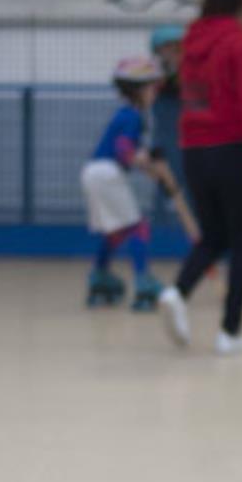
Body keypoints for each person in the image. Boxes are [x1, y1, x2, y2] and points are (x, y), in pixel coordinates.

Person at [158, 0, 242, 354]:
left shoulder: (191, 44)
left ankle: (177, 292)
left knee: (213, 235)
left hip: (194, 151)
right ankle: (229, 332)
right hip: (234, 151)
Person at [81, 56, 181, 311]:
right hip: (107, 173)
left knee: (115, 231)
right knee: (138, 227)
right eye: (152, 88)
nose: (154, 93)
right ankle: (143, 282)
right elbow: (123, 149)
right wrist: (146, 163)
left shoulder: (124, 113)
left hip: (93, 172)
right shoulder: (134, 116)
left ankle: (100, 276)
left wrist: (144, 163)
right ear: (139, 90)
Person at [149, 24, 189, 224]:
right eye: (169, 48)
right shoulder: (155, 74)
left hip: (185, 138)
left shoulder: (187, 73)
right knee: (164, 185)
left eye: (177, 48)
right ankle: (159, 225)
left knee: (190, 185)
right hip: (164, 138)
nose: (174, 53)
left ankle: (193, 227)